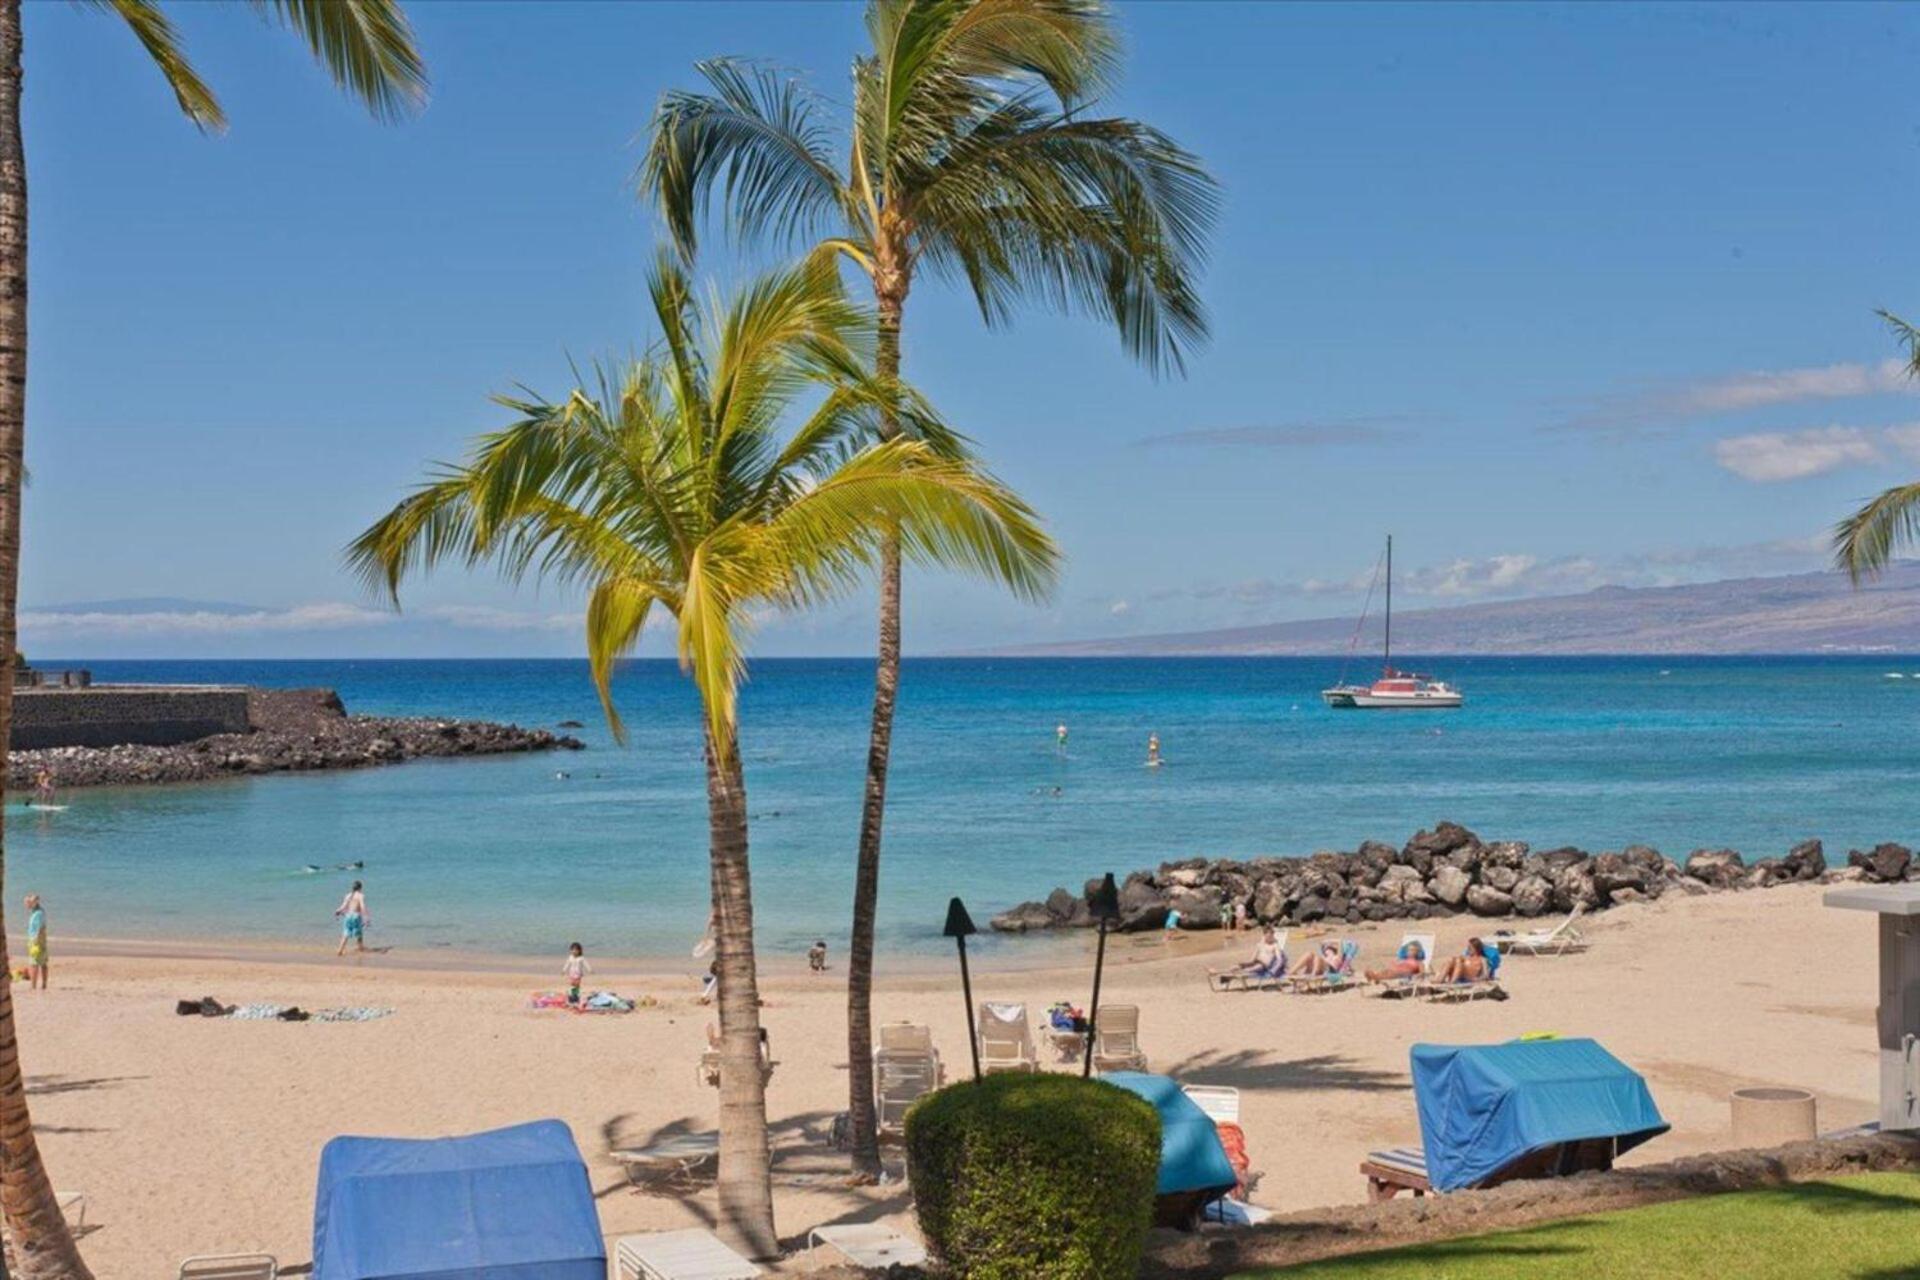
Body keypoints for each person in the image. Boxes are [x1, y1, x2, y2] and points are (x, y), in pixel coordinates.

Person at [1210, 926, 1284, 982]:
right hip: (1256, 962)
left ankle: (1228, 976)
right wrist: (1245, 963)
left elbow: (1279, 959)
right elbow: (1252, 958)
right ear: (1264, 935)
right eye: (1269, 935)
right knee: (1237, 966)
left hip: (1264, 966)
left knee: (1250, 969)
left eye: (1272, 935)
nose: (1271, 937)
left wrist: (1274, 970)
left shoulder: (1275, 945)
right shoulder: (1260, 945)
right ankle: (1217, 971)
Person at [334, 880, 368, 956]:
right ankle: (360, 948)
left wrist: (338, 910)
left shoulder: (348, 895)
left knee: (345, 933)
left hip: (348, 915)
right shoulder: (360, 895)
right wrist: (366, 916)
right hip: (356, 916)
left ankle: (340, 950)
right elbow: (362, 906)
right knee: (359, 933)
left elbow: (343, 906)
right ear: (360, 888)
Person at [23, 894, 46, 990]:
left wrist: (36, 939)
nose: (26, 905)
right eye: (26, 903)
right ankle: (41, 985)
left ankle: (33, 986)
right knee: (40, 961)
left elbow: (40, 927)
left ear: (33, 903)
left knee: (34, 962)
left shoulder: (38, 913)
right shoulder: (35, 912)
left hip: (36, 940)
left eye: (28, 903)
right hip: (34, 939)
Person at [563, 942, 590, 1006]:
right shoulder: (570, 957)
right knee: (572, 984)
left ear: (579, 950)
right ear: (570, 950)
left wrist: (589, 969)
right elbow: (567, 964)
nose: (574, 951)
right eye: (572, 950)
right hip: (571, 973)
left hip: (578, 974)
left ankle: (576, 996)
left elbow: (586, 964)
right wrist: (564, 970)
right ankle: (572, 996)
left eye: (576, 950)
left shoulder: (581, 958)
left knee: (577, 985)